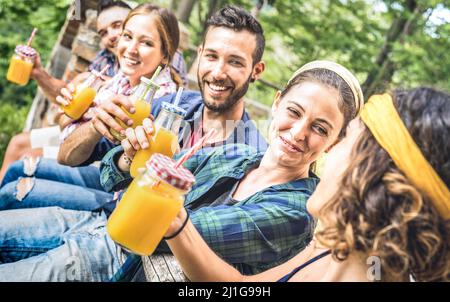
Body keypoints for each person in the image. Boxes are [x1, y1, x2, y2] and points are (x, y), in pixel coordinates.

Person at [0, 60, 363, 281]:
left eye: (320, 128)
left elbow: (155, 230)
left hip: (111, 261)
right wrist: (131, 155)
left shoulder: (295, 211)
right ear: (277, 101)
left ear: (333, 142)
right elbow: (113, 177)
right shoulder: (237, 154)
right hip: (98, 226)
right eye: (295, 112)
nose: (299, 133)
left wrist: (149, 180)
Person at [161, 87, 450, 282]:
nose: (330, 152)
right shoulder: (333, 245)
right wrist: (177, 224)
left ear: (375, 176)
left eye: (344, 139)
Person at [0, 5, 269, 212]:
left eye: (235, 62)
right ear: (199, 55)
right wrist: (103, 135)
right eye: (211, 56)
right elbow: (92, 162)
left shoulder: (251, 153)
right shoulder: (169, 106)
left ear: (256, 70)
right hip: (114, 199)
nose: (218, 72)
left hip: (122, 220)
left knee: (15, 186)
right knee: (14, 179)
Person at [0, 3, 181, 211]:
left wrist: (84, 115)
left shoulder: (157, 100)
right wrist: (72, 109)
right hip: (80, 151)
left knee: (14, 186)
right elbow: (66, 118)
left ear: (165, 55)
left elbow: (92, 156)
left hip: (111, 186)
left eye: (146, 42)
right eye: (127, 36)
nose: (129, 48)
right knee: (16, 163)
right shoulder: (120, 75)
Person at [0, 0, 132, 182]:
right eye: (103, 32)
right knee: (17, 143)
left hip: (99, 143)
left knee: (27, 155)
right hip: (75, 126)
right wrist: (39, 74)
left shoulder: (146, 59)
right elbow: (74, 95)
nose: (111, 36)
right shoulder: (106, 58)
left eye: (117, 26)